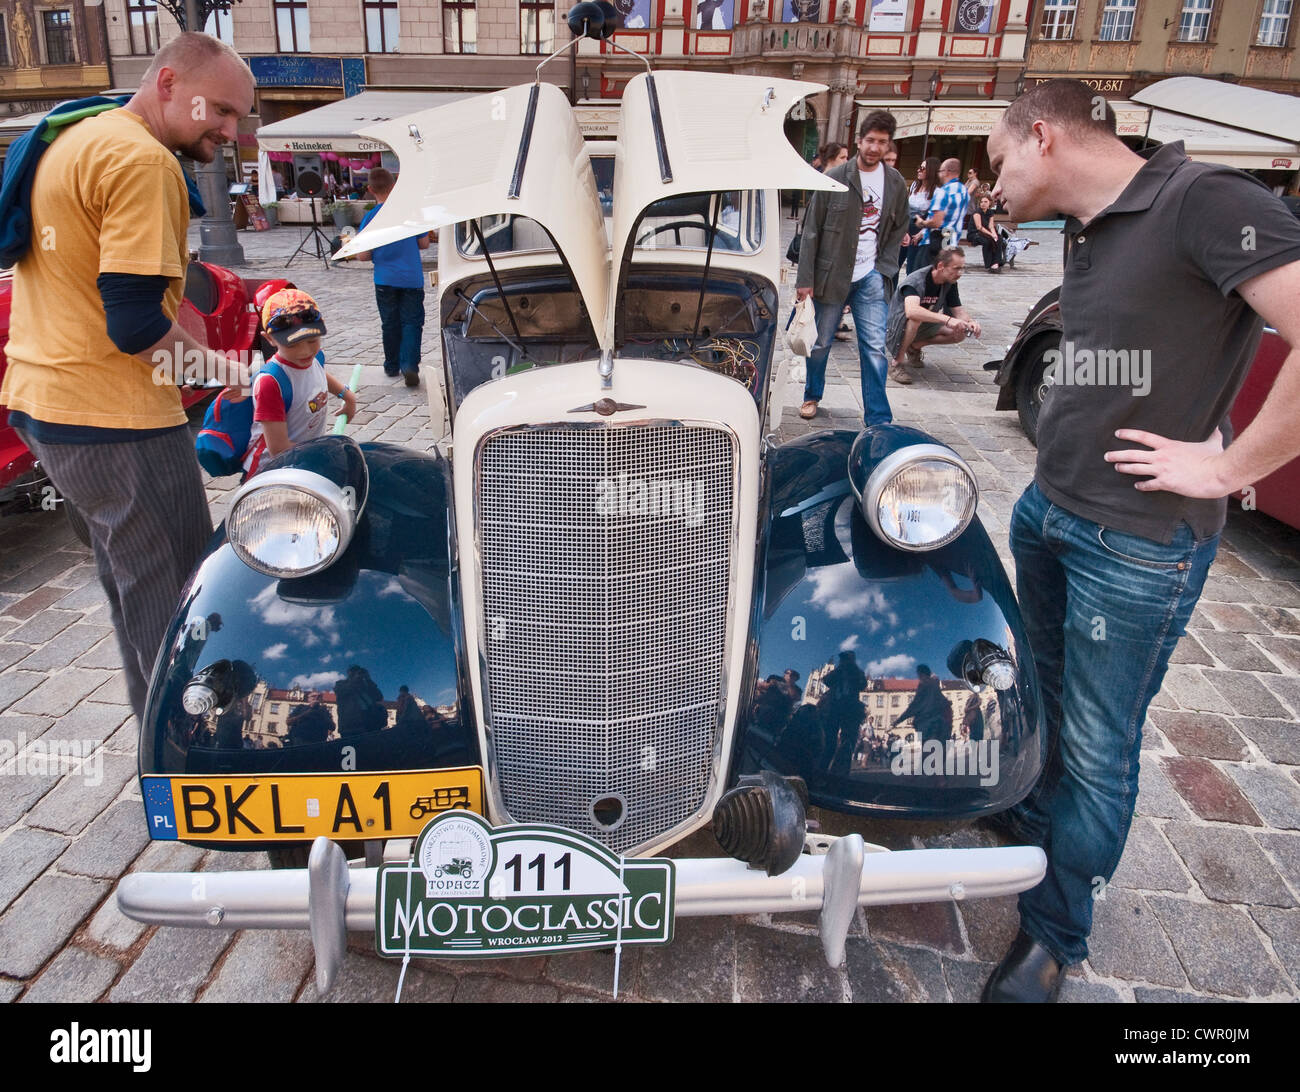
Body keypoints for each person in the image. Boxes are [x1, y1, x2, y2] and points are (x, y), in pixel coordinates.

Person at [980, 79, 1300, 1003]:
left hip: (1138, 543)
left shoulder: (1208, 201)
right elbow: (1125, 348)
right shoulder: (1091, 226)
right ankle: (1039, 831)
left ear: (1041, 137)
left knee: (1096, 742)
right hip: (1049, 511)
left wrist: (1234, 469)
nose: (993, 188)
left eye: (999, 162)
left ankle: (1055, 931)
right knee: (1039, 696)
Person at [0, 33, 255, 724]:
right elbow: (137, 326)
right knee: (178, 603)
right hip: (114, 422)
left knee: (131, 589)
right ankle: (194, 759)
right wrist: (224, 372)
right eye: (222, 111)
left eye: (239, 119)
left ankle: (158, 739)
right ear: (168, 82)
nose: (230, 133)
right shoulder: (141, 160)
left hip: (45, 405)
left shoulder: (81, 136)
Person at [794, 111, 909, 424]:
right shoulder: (835, 178)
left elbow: (900, 225)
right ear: (859, 140)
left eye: (881, 142)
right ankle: (812, 395)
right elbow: (812, 230)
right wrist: (805, 280)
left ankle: (878, 417)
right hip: (832, 275)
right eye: (870, 140)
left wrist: (884, 267)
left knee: (874, 348)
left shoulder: (895, 182)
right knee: (820, 343)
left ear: (888, 146)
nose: (874, 147)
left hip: (871, 277)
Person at [242, 288, 356, 477]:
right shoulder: (271, 383)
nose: (305, 352)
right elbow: (278, 449)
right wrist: (324, 454)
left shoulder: (315, 357)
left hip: (303, 462)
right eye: (292, 344)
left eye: (312, 340)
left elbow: (318, 373)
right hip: (274, 475)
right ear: (269, 339)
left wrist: (346, 395)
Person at [355, 167, 431, 387]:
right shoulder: (410, 212)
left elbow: (362, 255)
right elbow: (424, 243)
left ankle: (391, 364)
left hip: (384, 279)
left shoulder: (370, 218)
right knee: (412, 322)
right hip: (411, 278)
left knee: (389, 323)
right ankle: (409, 364)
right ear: (394, 186)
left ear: (370, 189)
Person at [884, 247, 981, 382]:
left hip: (924, 325)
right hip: (896, 327)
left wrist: (970, 322)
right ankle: (896, 363)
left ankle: (915, 346)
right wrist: (947, 320)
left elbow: (958, 310)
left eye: (962, 268)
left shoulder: (949, 282)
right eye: (956, 268)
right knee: (915, 319)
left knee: (961, 332)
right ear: (941, 266)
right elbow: (912, 311)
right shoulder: (916, 280)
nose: (960, 273)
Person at [916, 158, 969, 268]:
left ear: (947, 172)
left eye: (940, 171)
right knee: (945, 274)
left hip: (936, 240)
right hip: (952, 239)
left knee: (925, 276)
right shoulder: (964, 191)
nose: (939, 174)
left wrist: (922, 223)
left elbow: (936, 222)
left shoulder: (943, 192)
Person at [892, 665, 949, 745]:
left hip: (927, 726)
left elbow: (913, 707)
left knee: (928, 752)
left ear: (922, 674)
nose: (919, 678)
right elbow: (945, 706)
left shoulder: (924, 687)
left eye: (919, 675)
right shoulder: (936, 689)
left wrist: (897, 721)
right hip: (938, 726)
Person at [904, 157, 941, 273]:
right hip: (906, 225)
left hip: (921, 227)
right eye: (919, 168)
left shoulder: (937, 191)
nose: (919, 170)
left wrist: (922, 233)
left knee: (912, 266)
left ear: (931, 170)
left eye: (922, 168)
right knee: (895, 264)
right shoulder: (915, 185)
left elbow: (934, 216)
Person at [971, 194, 1005, 272]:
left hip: (985, 233)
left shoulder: (990, 212)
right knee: (987, 241)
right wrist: (991, 235)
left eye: (985, 202)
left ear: (990, 203)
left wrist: (994, 234)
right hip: (975, 234)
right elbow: (979, 227)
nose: (983, 203)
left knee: (999, 238)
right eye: (981, 202)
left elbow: (991, 226)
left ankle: (996, 262)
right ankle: (989, 264)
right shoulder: (977, 213)